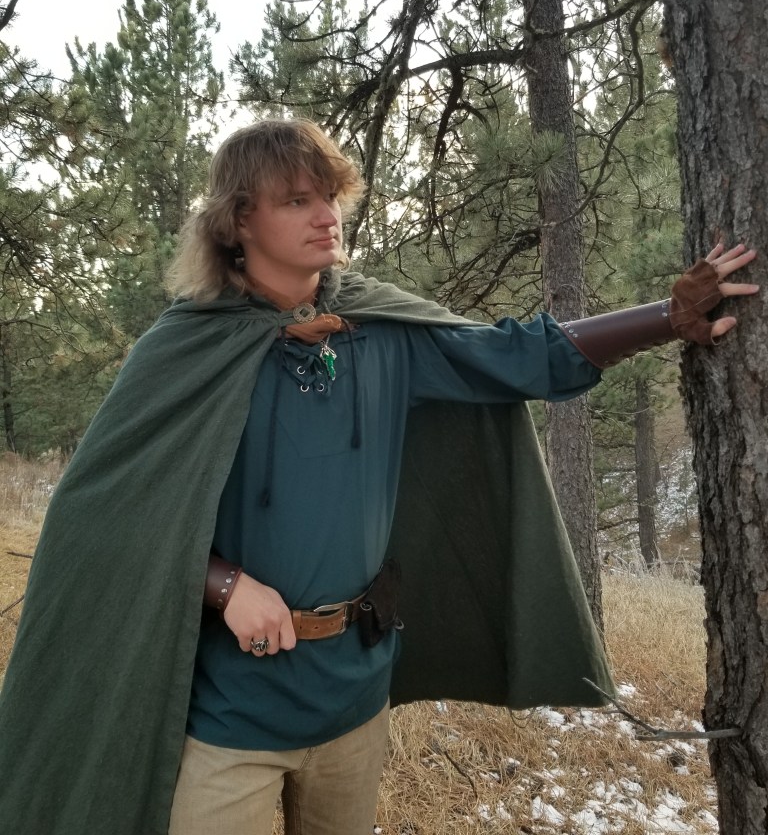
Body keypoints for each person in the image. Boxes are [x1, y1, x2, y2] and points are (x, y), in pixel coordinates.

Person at [0, 119, 758, 835]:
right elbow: (111, 514)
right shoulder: (184, 353)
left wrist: (669, 315)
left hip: (352, 695)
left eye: (329, 195)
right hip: (231, 707)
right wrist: (225, 585)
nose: (326, 214)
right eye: (297, 199)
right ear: (238, 222)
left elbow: (521, 357)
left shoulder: (381, 334)